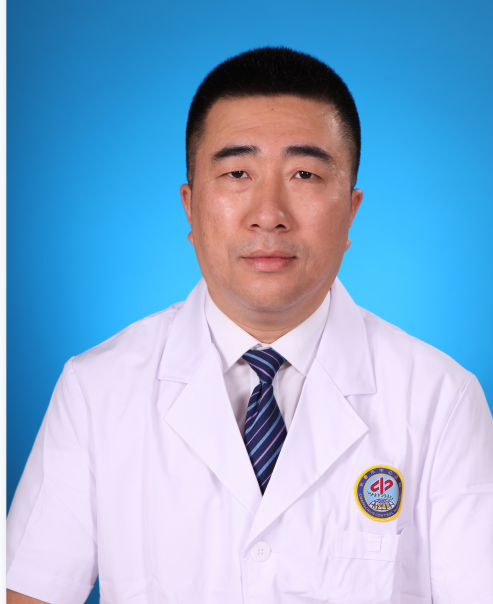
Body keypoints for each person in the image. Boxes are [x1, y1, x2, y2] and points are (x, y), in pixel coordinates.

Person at [6, 46, 493, 604]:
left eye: (305, 174)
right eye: (237, 173)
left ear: (351, 209)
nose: (269, 214)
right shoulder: (96, 390)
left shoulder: (441, 400)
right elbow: (30, 592)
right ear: (190, 206)